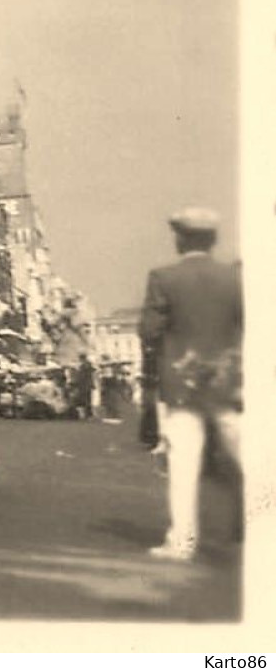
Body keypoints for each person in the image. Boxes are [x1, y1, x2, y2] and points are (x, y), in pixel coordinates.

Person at [139, 207, 242, 562]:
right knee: (249, 456)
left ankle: (181, 542)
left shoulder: (163, 277)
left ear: (180, 240)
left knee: (183, 464)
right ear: (213, 241)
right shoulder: (235, 278)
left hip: (181, 383)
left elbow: (149, 331)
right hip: (229, 382)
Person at [72, 354, 96, 421]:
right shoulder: (88, 365)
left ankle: (88, 415)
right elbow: (93, 371)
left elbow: (81, 377)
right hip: (87, 386)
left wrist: (76, 383)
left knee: (85, 400)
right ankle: (89, 414)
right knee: (87, 400)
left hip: (83, 386)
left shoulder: (83, 366)